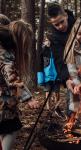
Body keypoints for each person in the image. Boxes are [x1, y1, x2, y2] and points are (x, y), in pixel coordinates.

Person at [0, 18, 39, 150]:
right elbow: (11, 76)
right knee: (12, 128)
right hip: (3, 102)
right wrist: (27, 98)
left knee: (5, 129)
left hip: (5, 100)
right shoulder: (4, 50)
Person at [37, 2, 75, 115]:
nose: (60, 26)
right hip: (69, 68)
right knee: (72, 99)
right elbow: (59, 59)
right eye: (56, 25)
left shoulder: (78, 24)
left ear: (66, 16)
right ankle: (70, 124)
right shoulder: (53, 36)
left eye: (62, 22)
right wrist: (66, 78)